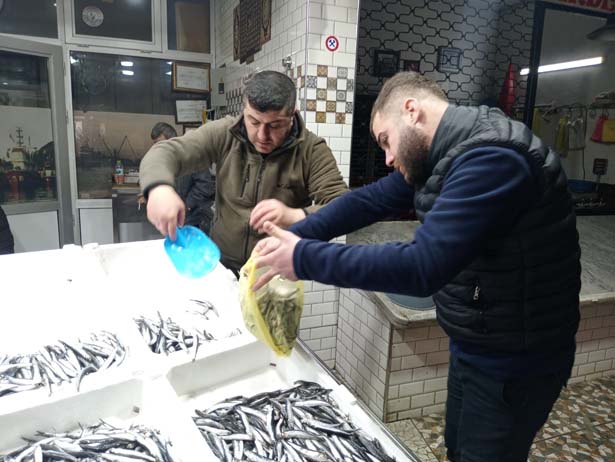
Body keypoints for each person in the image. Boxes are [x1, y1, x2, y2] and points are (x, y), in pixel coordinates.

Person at [252, 72, 581, 462]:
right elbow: (368, 201)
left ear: (411, 111)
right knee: (459, 448)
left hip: (517, 360)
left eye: (386, 141)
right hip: (477, 342)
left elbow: (422, 266)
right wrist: (295, 235)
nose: (388, 158)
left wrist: (302, 259)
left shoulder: (494, 158)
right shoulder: (446, 150)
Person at [140, 71, 349, 273]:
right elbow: (164, 152)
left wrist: (295, 215)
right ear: (244, 110)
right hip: (221, 265)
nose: (262, 135)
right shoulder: (225, 134)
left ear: (292, 116)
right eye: (254, 122)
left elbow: (344, 208)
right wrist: (159, 189)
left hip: (275, 271)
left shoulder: (311, 150)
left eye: (275, 125)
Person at [150, 122, 216, 235]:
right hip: (178, 220)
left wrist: (186, 206)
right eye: (155, 144)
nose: (157, 148)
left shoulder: (191, 156)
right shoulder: (166, 160)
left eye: (160, 143)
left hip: (196, 221)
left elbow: (206, 186)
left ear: (172, 140)